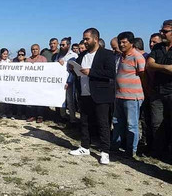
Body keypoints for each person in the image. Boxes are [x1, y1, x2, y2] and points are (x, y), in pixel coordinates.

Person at [69, 28, 115, 165]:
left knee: (103, 123)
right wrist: (74, 69)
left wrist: (91, 72)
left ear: (95, 39)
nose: (85, 41)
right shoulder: (82, 55)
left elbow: (111, 73)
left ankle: (105, 151)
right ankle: (84, 146)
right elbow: (79, 70)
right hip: (84, 93)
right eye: (84, 38)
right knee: (84, 122)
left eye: (87, 39)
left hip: (101, 94)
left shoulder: (106, 54)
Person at [111, 32, 146, 157]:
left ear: (131, 43)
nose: (121, 44)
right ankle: (115, 146)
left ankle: (131, 150)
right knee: (117, 122)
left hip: (132, 97)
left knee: (132, 125)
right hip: (119, 95)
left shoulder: (137, 57)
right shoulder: (121, 57)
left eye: (124, 42)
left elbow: (143, 77)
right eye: (120, 42)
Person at [146, 19, 172, 159]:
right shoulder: (157, 48)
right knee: (157, 123)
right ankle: (159, 152)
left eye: (165, 31)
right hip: (157, 91)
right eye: (161, 30)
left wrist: (157, 66)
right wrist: (166, 68)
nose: (162, 33)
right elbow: (149, 65)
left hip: (171, 91)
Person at [57, 37, 78, 123]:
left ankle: (72, 119)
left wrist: (69, 81)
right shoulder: (59, 55)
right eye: (60, 45)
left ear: (68, 45)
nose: (61, 46)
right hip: (60, 82)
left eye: (63, 45)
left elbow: (74, 71)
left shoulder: (74, 56)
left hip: (69, 82)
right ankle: (63, 117)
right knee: (61, 100)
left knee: (70, 101)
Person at [26, 44, 47, 123]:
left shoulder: (43, 59)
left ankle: (40, 116)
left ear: (39, 50)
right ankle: (32, 116)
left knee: (40, 100)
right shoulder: (28, 60)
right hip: (30, 84)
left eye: (36, 49)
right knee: (31, 100)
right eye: (33, 49)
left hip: (40, 83)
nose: (34, 51)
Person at [0, 48, 12, 119]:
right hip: (0, 83)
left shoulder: (10, 62)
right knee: (2, 99)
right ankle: (2, 113)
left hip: (8, 83)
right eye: (4, 54)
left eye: (6, 54)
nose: (5, 55)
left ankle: (9, 113)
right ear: (1, 54)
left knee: (9, 99)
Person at [12, 48, 27, 119]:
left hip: (24, 85)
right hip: (15, 84)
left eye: (22, 54)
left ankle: (23, 114)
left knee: (23, 100)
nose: (20, 56)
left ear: (24, 55)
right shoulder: (13, 63)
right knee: (15, 100)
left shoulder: (28, 63)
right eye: (19, 54)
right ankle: (16, 113)